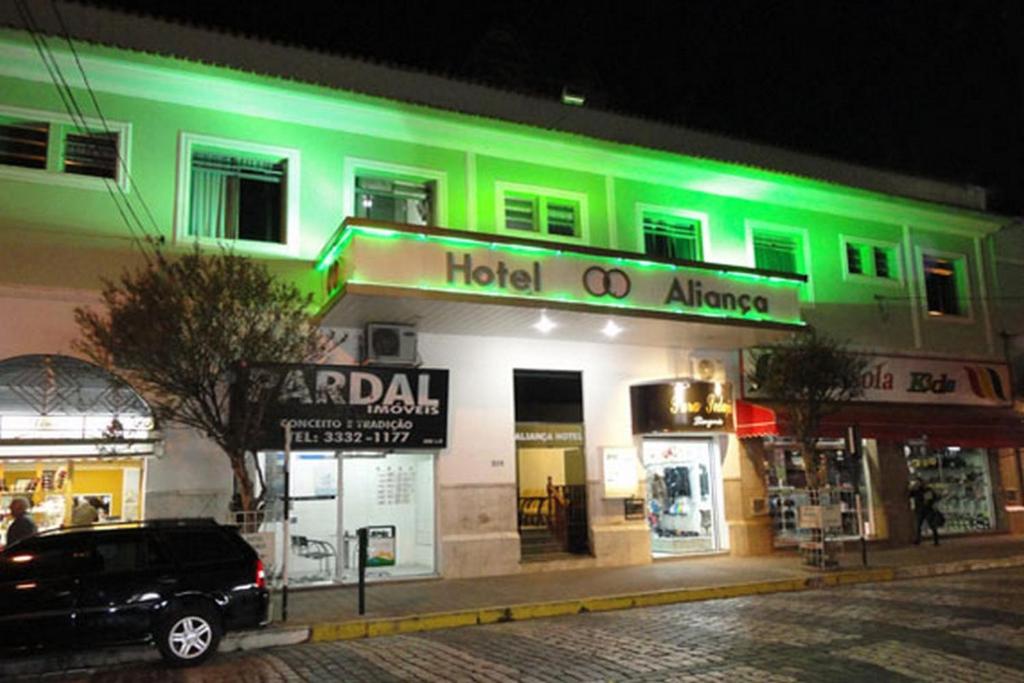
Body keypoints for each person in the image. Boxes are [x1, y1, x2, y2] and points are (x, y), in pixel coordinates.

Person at [909, 478, 941, 546]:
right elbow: (909, 494)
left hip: (927, 510)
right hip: (920, 510)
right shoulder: (916, 490)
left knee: (931, 525)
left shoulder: (927, 490)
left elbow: (930, 499)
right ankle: (918, 540)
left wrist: (929, 503)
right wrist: (913, 488)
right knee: (918, 526)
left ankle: (936, 540)